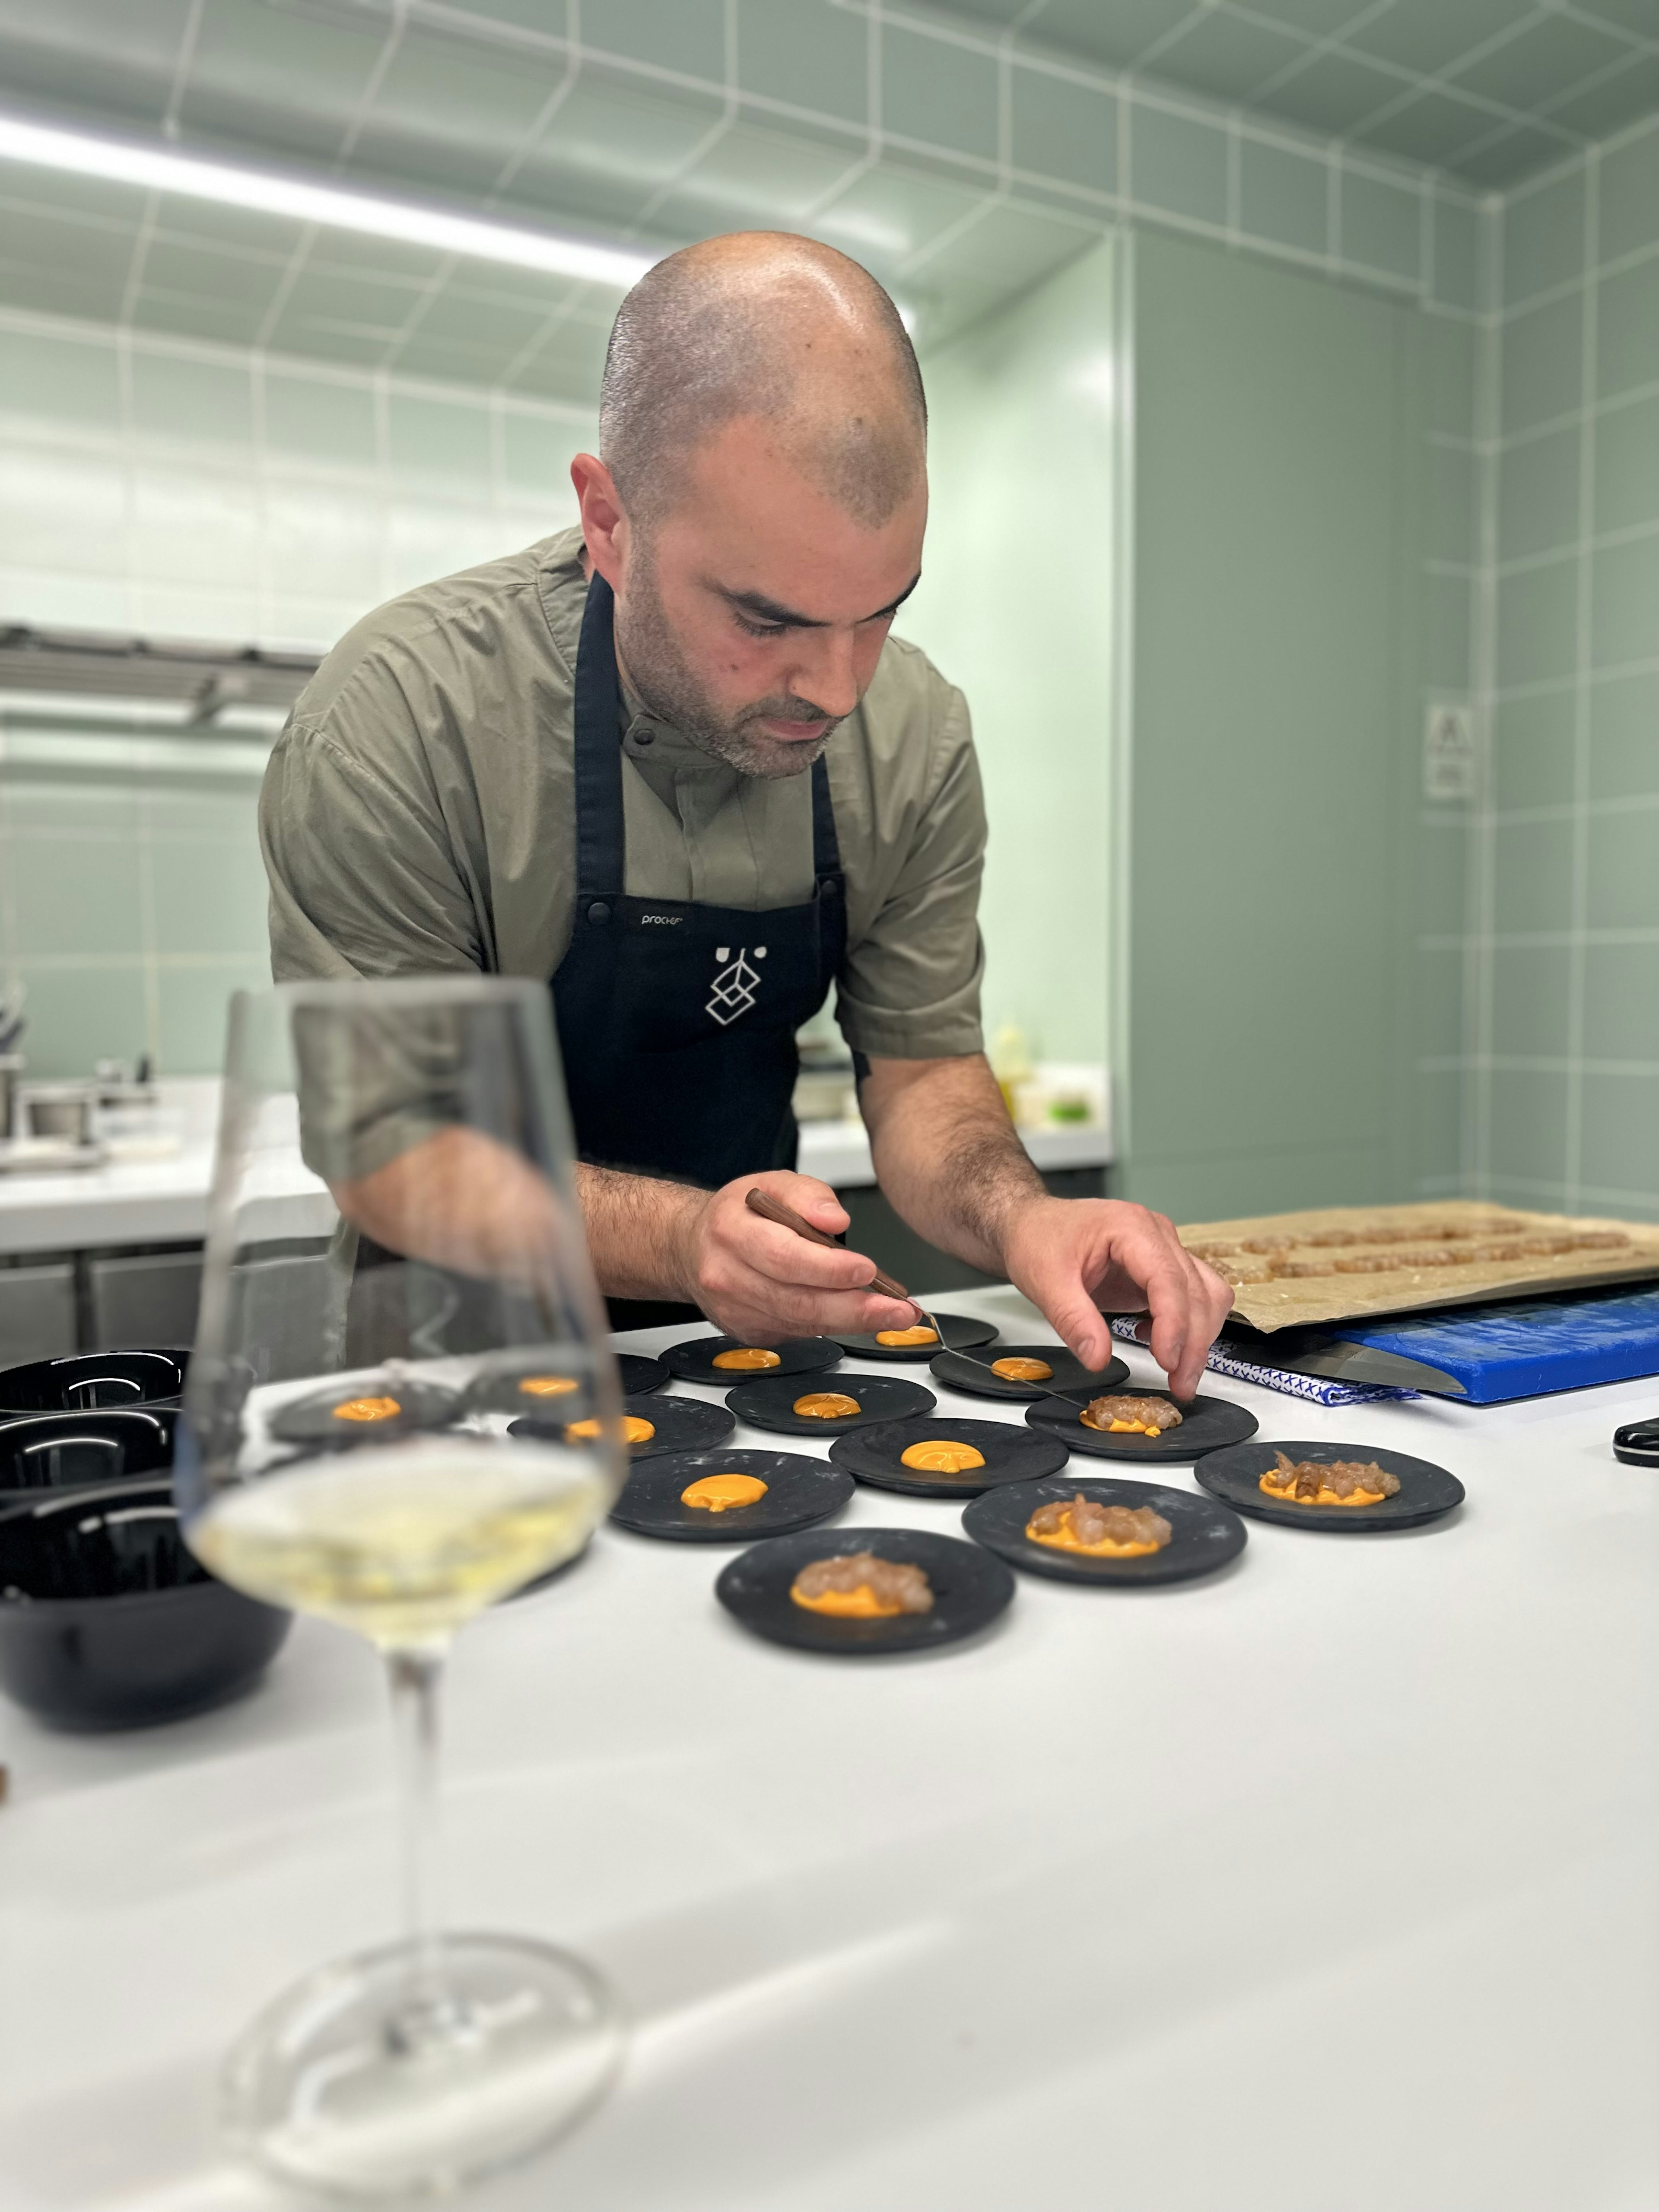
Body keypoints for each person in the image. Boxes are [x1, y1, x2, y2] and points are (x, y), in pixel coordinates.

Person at [261, 232, 1232, 1393]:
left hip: (752, 1374)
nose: (838, 689)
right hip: (448, 1382)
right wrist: (682, 1240)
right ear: (610, 520)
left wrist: (1026, 1219)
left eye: (879, 612)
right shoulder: (405, 717)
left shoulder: (914, 732)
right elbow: (394, 1144)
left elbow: (924, 1078)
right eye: (766, 623)